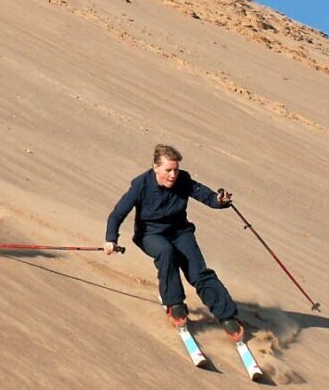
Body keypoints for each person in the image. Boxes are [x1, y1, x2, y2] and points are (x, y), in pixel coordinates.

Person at [104, 144, 243, 340]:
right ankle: (174, 304)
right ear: (155, 167)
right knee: (166, 252)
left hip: (180, 232)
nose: (172, 175)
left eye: (175, 169)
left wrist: (220, 201)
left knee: (198, 272)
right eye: (168, 170)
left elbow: (206, 196)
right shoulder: (141, 185)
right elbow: (117, 214)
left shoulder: (183, 179)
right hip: (150, 234)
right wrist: (111, 239)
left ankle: (227, 315)